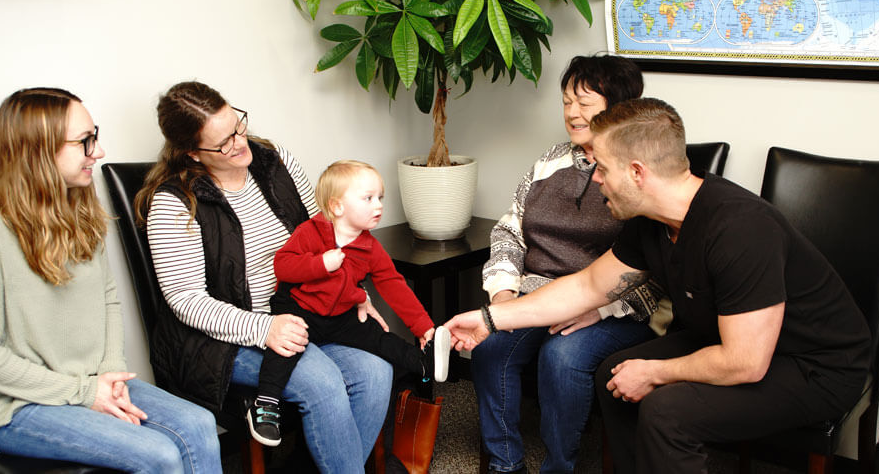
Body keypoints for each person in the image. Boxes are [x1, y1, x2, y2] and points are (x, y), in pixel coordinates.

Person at [446, 98, 872, 474]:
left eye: (603, 168)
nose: (595, 179)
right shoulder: (649, 223)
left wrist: (656, 372)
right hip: (726, 340)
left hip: (812, 366)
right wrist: (490, 318)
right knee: (615, 378)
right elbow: (587, 287)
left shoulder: (740, 229)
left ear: (637, 172)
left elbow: (746, 362)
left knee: (667, 410)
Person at [0, 87, 221, 474]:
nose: (99, 151)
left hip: (91, 383)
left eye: (96, 136)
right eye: (85, 141)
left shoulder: (79, 210)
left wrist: (109, 372)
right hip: (14, 408)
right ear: (37, 149)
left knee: (199, 424)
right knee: (157, 454)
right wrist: (84, 392)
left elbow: (108, 298)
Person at [135, 81, 393, 474]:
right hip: (221, 339)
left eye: (237, 125)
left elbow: (323, 232)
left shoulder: (274, 162)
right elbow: (187, 300)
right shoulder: (175, 203)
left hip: (300, 315)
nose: (240, 143)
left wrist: (353, 292)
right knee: (321, 381)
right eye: (223, 143)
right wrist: (264, 328)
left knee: (376, 370)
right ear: (192, 153)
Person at [474, 54, 660, 474]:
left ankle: (559, 467)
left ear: (618, 107)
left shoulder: (638, 172)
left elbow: (658, 267)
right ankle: (506, 465)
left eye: (583, 102)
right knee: (491, 342)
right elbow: (509, 229)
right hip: (537, 293)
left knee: (562, 356)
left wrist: (601, 308)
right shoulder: (549, 161)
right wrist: (504, 293)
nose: (571, 113)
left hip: (613, 308)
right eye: (565, 102)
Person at [252, 160, 451, 445]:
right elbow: (283, 267)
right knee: (287, 345)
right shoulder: (311, 231)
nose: (378, 205)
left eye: (380, 198)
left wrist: (423, 328)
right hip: (299, 307)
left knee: (379, 337)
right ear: (337, 207)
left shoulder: (371, 247)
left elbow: (394, 286)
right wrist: (321, 264)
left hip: (341, 314)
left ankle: (423, 363)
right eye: (368, 198)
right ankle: (266, 405)